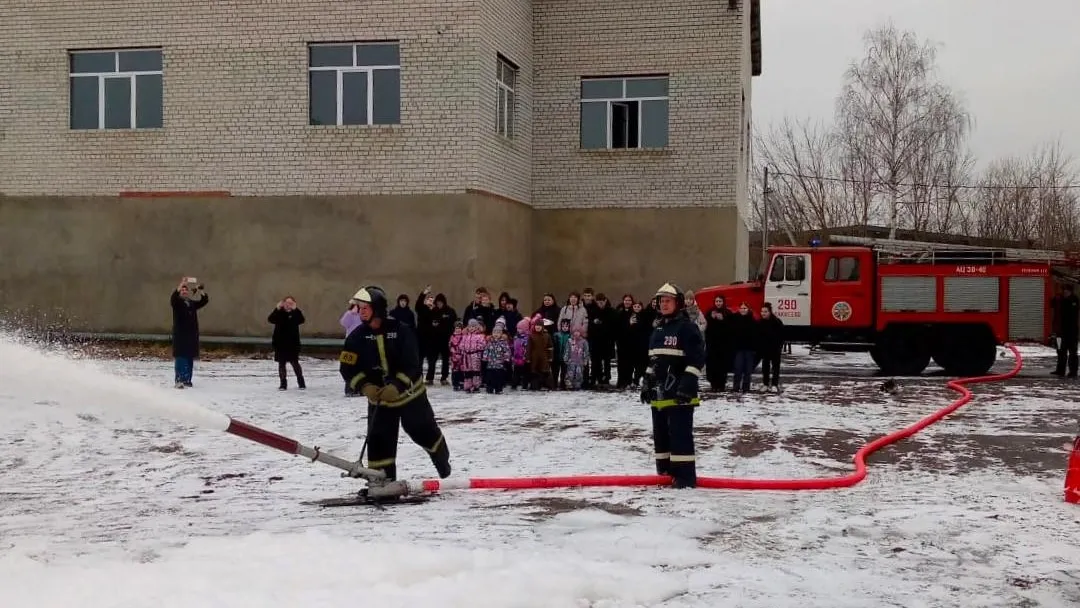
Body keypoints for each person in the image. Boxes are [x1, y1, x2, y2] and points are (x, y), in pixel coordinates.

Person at [338, 285, 452, 481]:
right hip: (380, 400)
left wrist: (397, 385)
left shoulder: (402, 331)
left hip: (410, 396)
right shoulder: (356, 338)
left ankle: (441, 459)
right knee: (379, 441)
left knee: (421, 429)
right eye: (359, 307)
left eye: (365, 307)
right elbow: (347, 368)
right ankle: (382, 482)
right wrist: (365, 386)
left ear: (377, 308)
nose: (360, 312)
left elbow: (413, 364)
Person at [640, 283, 705, 488]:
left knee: (680, 435)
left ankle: (684, 478)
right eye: (661, 301)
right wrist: (647, 382)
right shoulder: (658, 328)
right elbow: (653, 360)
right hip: (660, 394)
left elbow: (697, 359)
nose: (664, 304)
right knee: (660, 435)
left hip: (679, 394)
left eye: (668, 301)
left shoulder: (687, 328)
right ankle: (665, 473)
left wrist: (686, 385)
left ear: (678, 303)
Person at [170, 277, 208, 389]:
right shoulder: (177, 303)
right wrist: (181, 283)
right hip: (180, 335)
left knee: (189, 358)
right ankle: (179, 380)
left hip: (191, 335)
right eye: (182, 290)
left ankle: (187, 380)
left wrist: (200, 290)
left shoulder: (191, 303)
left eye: (186, 290)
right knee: (180, 358)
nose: (184, 291)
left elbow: (204, 301)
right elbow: (173, 298)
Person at [268, 296, 306, 391]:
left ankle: (301, 382)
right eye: (287, 303)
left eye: (291, 303)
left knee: (295, 363)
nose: (288, 305)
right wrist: (277, 309)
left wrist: (296, 310)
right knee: (281, 364)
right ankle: (283, 384)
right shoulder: (279, 312)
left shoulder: (295, 313)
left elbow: (301, 320)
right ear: (283, 303)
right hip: (280, 343)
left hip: (292, 343)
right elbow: (271, 319)